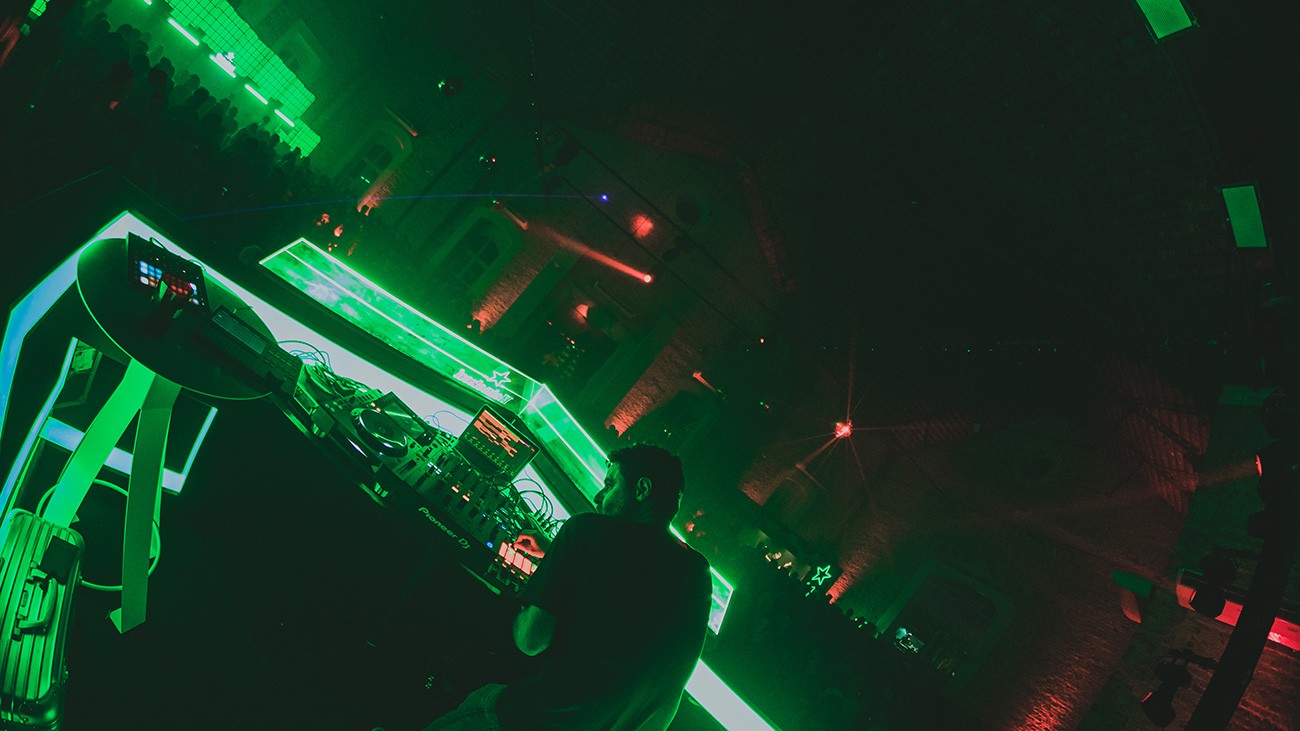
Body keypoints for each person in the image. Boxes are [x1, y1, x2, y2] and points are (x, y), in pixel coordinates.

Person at [425, 444, 714, 730]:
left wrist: (537, 585)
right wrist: (557, 552)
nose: (599, 496)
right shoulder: (697, 571)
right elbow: (631, 595)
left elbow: (530, 641)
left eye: (610, 485)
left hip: (542, 719)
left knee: (481, 698)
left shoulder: (585, 529)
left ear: (642, 489)